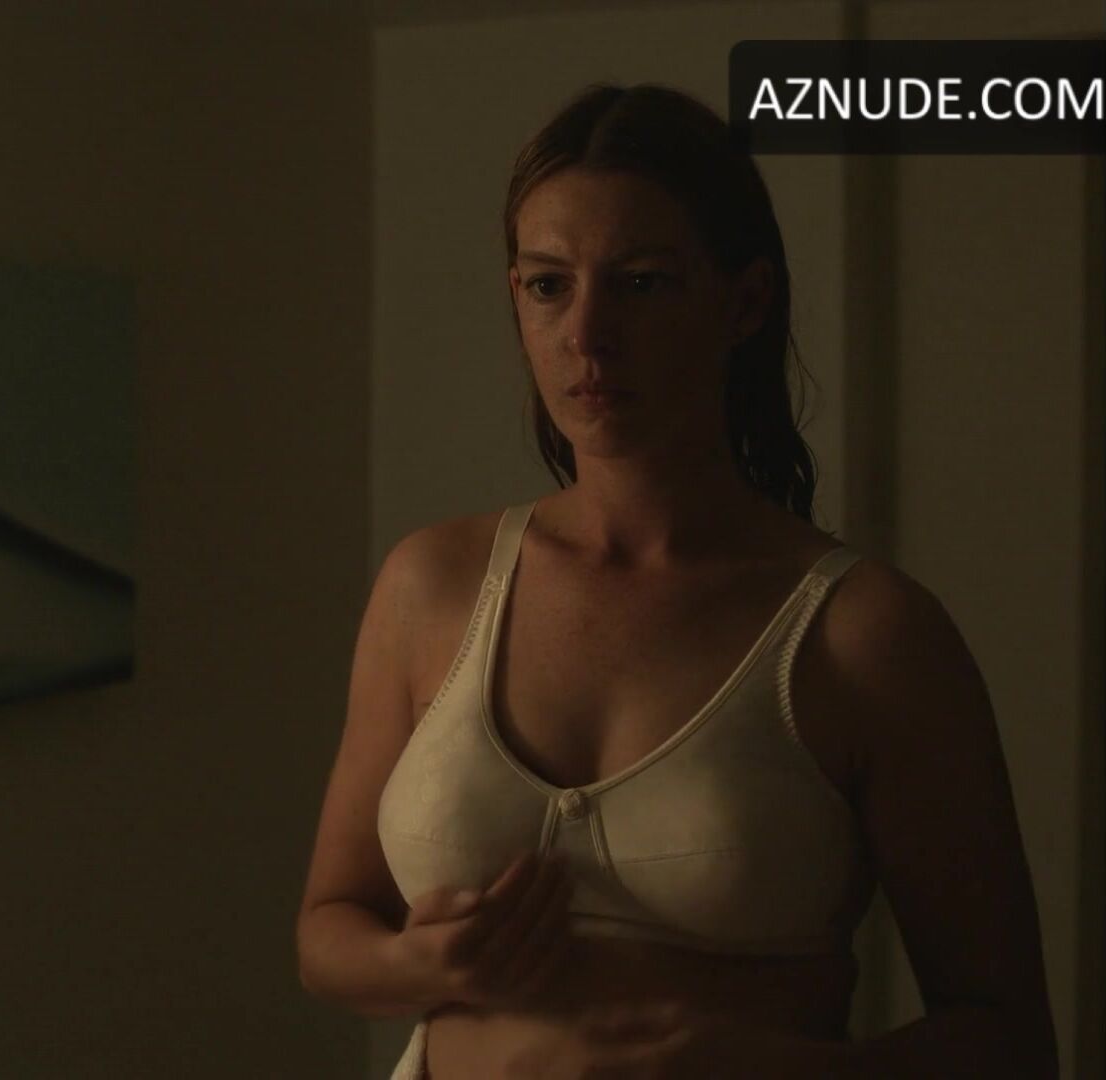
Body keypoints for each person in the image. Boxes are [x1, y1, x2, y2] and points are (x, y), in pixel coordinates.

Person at [295, 83, 1058, 1078]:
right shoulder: (430, 584)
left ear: (744, 301)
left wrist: (773, 1070)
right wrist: (419, 962)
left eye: (642, 283)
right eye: (549, 286)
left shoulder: (864, 634)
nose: (588, 334)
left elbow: (1010, 1041)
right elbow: (330, 924)